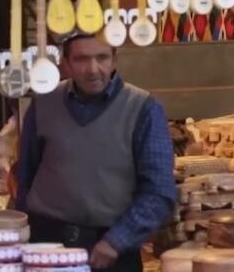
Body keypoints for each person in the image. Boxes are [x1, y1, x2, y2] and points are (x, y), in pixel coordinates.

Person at [14, 33, 176, 272]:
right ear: (66, 63)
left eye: (102, 58)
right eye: (81, 59)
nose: (93, 69)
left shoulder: (143, 109)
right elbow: (25, 175)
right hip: (46, 247)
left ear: (114, 59)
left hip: (113, 252)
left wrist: (116, 241)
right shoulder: (44, 103)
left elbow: (159, 192)